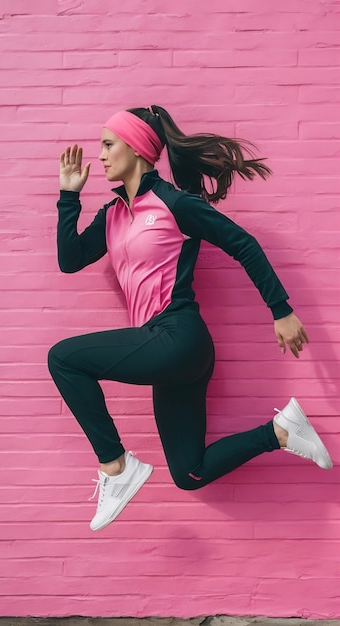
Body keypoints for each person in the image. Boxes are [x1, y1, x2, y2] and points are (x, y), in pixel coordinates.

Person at [48, 105, 333, 532]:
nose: (101, 156)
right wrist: (69, 196)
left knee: (64, 359)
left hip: (180, 336)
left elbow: (243, 244)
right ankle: (280, 432)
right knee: (189, 473)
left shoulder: (174, 204)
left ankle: (116, 467)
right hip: (165, 352)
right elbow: (70, 261)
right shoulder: (111, 214)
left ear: (137, 148)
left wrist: (282, 310)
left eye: (109, 145)